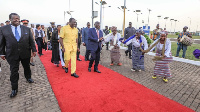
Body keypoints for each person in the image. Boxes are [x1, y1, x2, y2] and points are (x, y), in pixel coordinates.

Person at [0, 13, 36, 98]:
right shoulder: (3, 29)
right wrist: (2, 53)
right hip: (11, 54)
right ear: (10, 19)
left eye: (18, 18)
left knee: (27, 67)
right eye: (14, 18)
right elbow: (2, 42)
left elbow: (31, 41)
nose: (16, 20)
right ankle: (14, 89)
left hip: (25, 53)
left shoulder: (26, 29)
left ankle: (28, 77)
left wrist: (34, 50)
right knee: (14, 71)